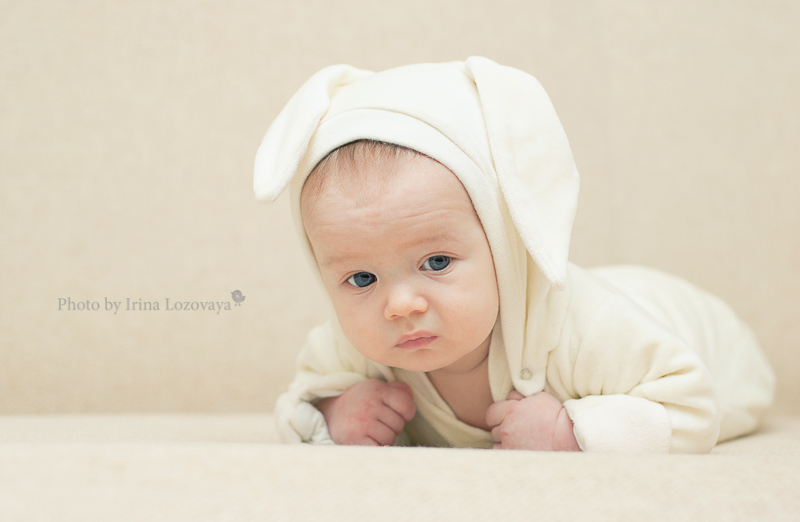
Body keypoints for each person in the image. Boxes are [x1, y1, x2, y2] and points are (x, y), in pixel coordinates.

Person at [254, 57, 775, 452]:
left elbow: (692, 407)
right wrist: (332, 412)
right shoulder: (349, 350)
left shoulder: (587, 330)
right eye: (362, 279)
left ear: (504, 243)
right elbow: (297, 400)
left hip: (695, 327)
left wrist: (571, 431)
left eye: (437, 262)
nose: (400, 305)